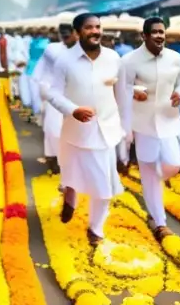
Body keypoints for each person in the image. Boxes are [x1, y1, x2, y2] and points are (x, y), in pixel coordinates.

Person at [43, 13, 124, 247]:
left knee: (104, 184)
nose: (95, 31)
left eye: (98, 27)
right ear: (78, 32)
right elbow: (52, 93)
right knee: (72, 173)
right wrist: (72, 109)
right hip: (76, 130)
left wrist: (136, 93)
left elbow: (122, 87)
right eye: (89, 28)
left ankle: (96, 228)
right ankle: (70, 194)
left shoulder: (113, 57)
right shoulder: (65, 60)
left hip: (106, 129)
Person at [120, 17, 180, 239]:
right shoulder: (130, 61)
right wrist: (135, 90)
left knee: (174, 164)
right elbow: (121, 88)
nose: (160, 36)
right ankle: (159, 222)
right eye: (155, 32)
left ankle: (154, 187)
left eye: (162, 32)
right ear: (144, 36)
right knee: (149, 172)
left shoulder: (175, 58)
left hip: (169, 119)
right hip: (143, 124)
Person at [35, 18, 77, 175]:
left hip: (73, 94)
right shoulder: (52, 49)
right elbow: (46, 72)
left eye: (69, 34)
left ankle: (67, 161)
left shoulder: (81, 50)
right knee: (53, 129)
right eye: (63, 35)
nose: (66, 38)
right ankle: (53, 158)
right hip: (54, 93)